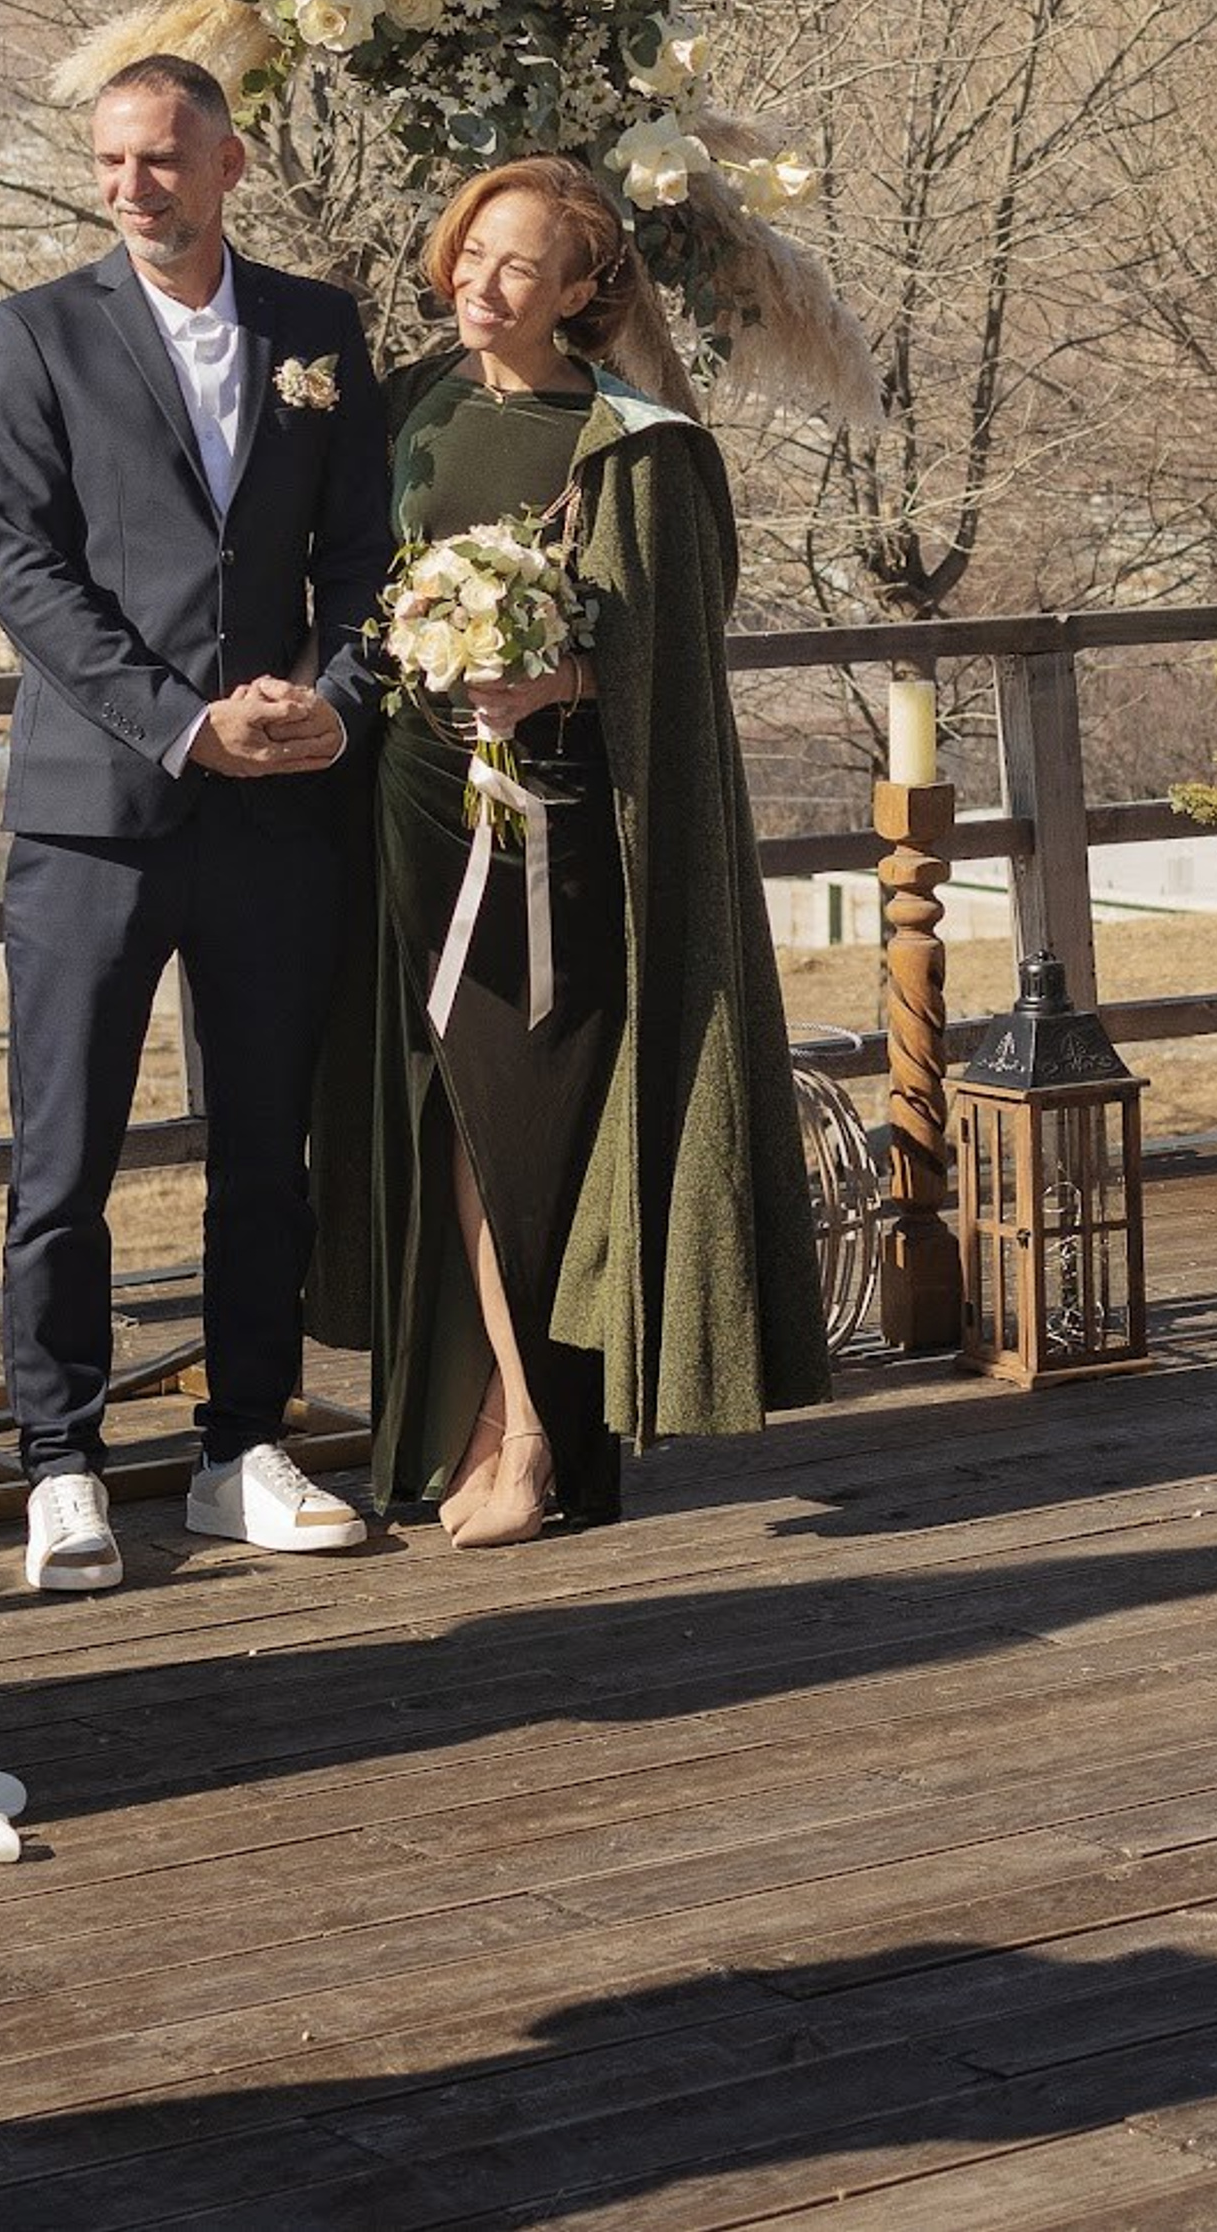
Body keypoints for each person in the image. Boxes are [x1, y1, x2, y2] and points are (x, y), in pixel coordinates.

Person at [343, 154, 829, 1543]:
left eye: (516, 266)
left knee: (532, 1132)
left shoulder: (633, 444)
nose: (479, 283)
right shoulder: (415, 405)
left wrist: (552, 684)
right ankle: (488, 1413)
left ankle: (545, 1435)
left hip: (548, 834)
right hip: (416, 810)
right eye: (469, 253)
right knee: (452, 1129)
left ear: (580, 289)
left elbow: (671, 652)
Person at [0, 54, 392, 1590]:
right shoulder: (32, 335)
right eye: (109, 164)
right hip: (95, 810)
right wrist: (177, 721)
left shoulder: (317, 332)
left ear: (228, 164)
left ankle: (241, 1448)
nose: (131, 187)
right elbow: (24, 573)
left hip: (280, 806)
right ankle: (63, 1462)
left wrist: (333, 698)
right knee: (62, 1156)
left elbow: (363, 554)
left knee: (264, 1149)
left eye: (159, 159)